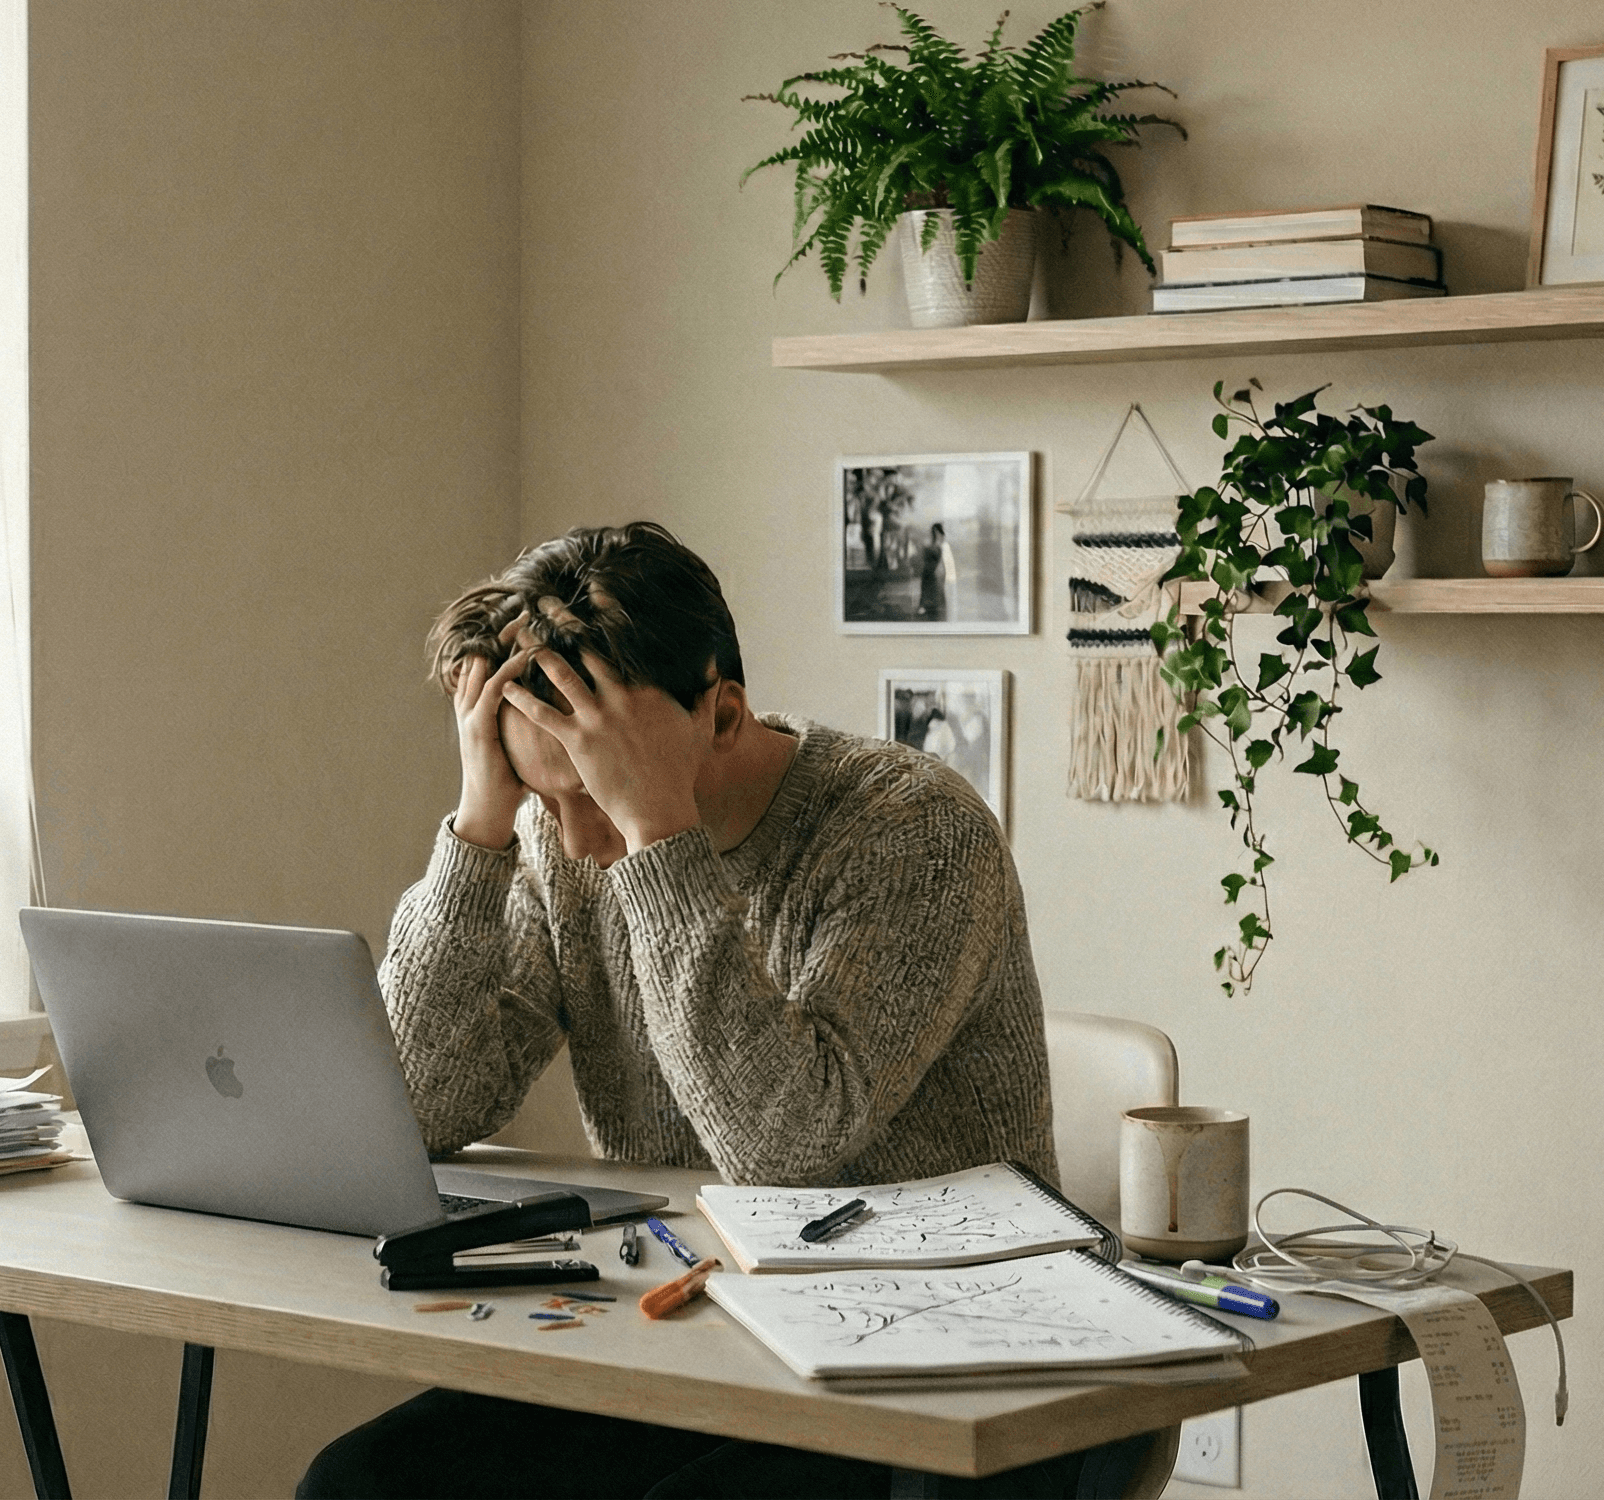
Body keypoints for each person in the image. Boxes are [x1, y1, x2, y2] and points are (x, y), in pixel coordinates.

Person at [297, 523, 1149, 1500]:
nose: (571, 841)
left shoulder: (912, 828)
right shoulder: (557, 837)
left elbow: (786, 1150)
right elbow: (419, 1109)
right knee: (363, 1482)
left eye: (593, 791)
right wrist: (482, 829)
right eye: (539, 791)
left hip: (932, 1370)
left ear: (725, 715)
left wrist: (657, 837)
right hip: (691, 1335)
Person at [915, 520, 953, 620]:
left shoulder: (941, 544)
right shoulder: (930, 543)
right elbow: (923, 555)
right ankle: (924, 606)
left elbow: (942, 559)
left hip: (935, 570)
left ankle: (933, 607)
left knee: (936, 587)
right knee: (926, 587)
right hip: (928, 570)